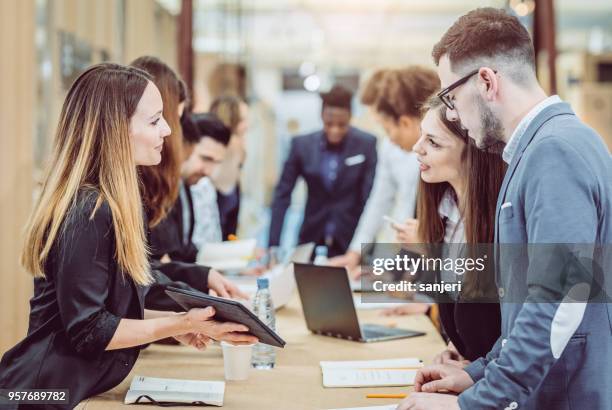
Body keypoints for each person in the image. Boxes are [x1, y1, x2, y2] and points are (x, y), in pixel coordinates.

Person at [0, 63, 258, 409]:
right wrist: (177, 321)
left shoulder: (116, 203)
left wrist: (173, 325)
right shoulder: (89, 210)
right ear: (116, 130)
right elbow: (89, 329)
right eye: (154, 121)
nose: (168, 130)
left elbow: (113, 308)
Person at [399, 8, 612, 410]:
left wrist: (473, 403)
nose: (455, 113)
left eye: (452, 96)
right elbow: (522, 313)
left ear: (486, 81)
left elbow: (559, 299)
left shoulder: (555, 151)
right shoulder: (539, 149)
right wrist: (476, 373)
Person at [394, 97, 504, 365]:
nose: (416, 149)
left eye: (433, 142)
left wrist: (475, 368)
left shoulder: (503, 224)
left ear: (473, 153)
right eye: (422, 137)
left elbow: (506, 329)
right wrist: (456, 346)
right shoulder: (445, 212)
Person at [131, 56, 245, 306]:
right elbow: (99, 317)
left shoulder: (163, 185)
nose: (170, 132)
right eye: (157, 121)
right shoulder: (126, 191)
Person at [329, 67, 440, 280]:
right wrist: (357, 253)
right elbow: (379, 201)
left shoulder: (441, 156)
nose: (389, 137)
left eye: (387, 127)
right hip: (419, 253)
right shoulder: (391, 147)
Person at [268, 84, 377, 257]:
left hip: (351, 240)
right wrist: (273, 246)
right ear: (321, 116)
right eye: (329, 123)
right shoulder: (301, 146)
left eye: (342, 124)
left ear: (350, 117)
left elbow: (370, 198)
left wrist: (368, 246)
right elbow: (282, 195)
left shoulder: (367, 144)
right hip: (310, 236)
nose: (335, 130)